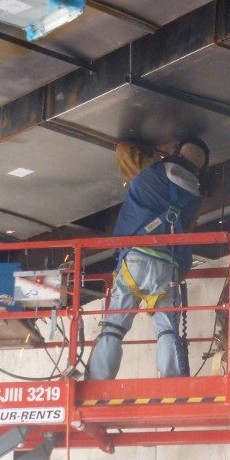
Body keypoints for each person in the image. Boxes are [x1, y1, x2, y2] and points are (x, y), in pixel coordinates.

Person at [87, 137, 210, 380]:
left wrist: (154, 152)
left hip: (135, 258)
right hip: (168, 268)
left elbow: (123, 150)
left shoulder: (150, 172)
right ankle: (171, 380)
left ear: (176, 152)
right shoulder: (194, 198)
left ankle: (99, 379)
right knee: (167, 330)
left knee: (114, 327)